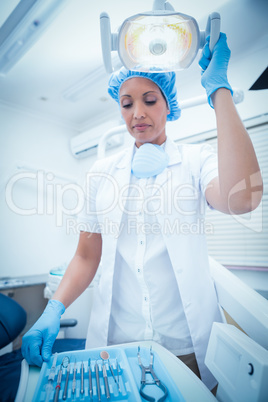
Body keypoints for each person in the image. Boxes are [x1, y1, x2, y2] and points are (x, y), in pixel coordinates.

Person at [22, 33, 263, 391]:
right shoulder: (101, 173)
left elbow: (243, 199)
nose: (137, 113)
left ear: (169, 105)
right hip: (115, 347)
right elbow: (87, 256)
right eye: (126, 103)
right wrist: (53, 310)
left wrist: (219, 91)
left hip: (187, 347)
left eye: (150, 100)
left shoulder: (196, 162)